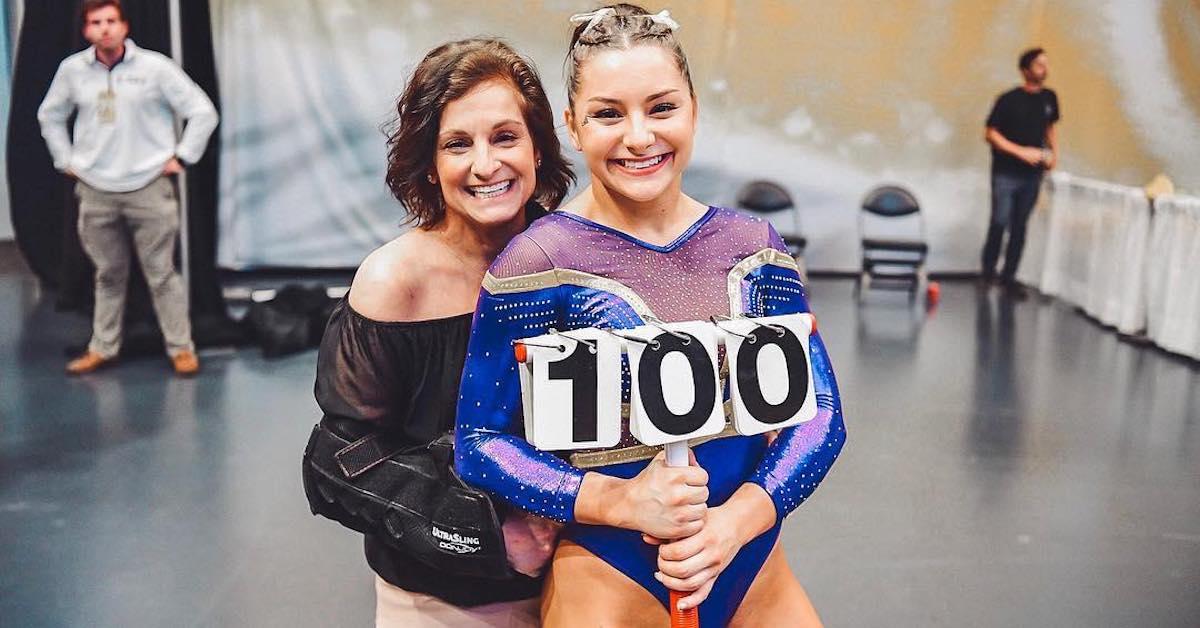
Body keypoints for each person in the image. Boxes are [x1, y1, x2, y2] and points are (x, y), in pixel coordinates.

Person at [454, 5, 845, 627]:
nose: (639, 137)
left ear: (693, 109)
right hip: (611, 577)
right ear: (574, 127)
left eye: (661, 108)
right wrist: (619, 501)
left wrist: (733, 524)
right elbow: (479, 444)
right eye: (609, 114)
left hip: (751, 568)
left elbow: (822, 415)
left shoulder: (755, 247)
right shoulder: (539, 261)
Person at [307, 39, 574, 627]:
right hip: (451, 604)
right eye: (459, 144)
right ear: (429, 162)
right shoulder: (394, 279)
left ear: (536, 149)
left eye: (505, 137)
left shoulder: (577, 259)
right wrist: (490, 534)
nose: (486, 165)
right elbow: (340, 461)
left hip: (589, 585)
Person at [37, 0, 218, 375]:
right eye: (96, 22)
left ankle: (181, 348)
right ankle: (103, 346)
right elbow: (49, 115)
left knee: (162, 273)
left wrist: (182, 156)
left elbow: (202, 111)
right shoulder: (73, 71)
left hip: (148, 186)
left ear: (124, 26)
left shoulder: (155, 68)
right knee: (107, 274)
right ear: (86, 30)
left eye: (111, 21)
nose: (104, 28)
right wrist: (65, 159)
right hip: (96, 188)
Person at [981, 47, 1060, 300]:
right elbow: (991, 133)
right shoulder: (1008, 99)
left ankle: (1010, 276)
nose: (1043, 69)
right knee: (999, 221)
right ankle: (987, 271)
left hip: (1031, 175)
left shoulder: (1049, 98)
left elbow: (1050, 128)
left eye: (1045, 64)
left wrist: (1053, 154)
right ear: (1025, 70)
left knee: (1020, 226)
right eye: (1038, 65)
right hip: (1006, 172)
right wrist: (1020, 152)